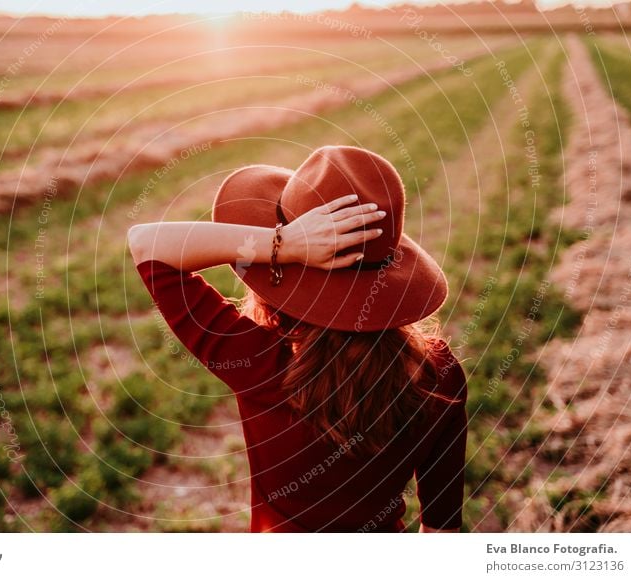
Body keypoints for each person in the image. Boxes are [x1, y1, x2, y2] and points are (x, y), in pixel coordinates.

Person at [127, 145, 468, 533]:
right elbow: (442, 529)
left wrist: (283, 244)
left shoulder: (259, 363)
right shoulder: (440, 374)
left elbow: (147, 244)